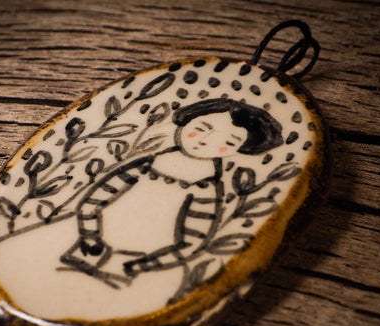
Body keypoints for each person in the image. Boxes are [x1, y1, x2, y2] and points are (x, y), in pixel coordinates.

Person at [59, 98, 283, 290]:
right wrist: (89, 236)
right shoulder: (146, 164)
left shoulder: (205, 189)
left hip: (135, 270)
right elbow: (95, 199)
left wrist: (142, 265)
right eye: (202, 128)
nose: (205, 140)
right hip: (87, 248)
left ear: (237, 150)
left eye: (228, 142)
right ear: (185, 123)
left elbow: (193, 240)